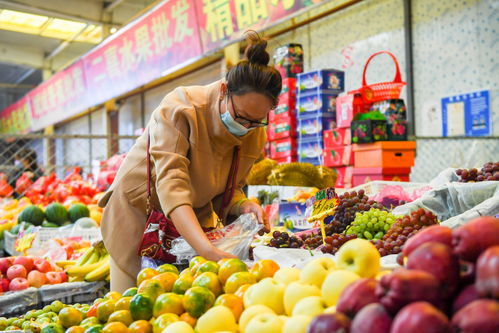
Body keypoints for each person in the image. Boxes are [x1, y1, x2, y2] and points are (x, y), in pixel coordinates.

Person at [99, 32, 282, 292]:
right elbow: (171, 184)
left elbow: (232, 184)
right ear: (223, 91)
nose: (246, 127)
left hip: (191, 222)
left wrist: (244, 204)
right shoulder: (181, 108)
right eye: (241, 116)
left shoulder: (254, 129)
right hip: (141, 215)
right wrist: (206, 250)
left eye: (257, 121)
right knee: (133, 301)